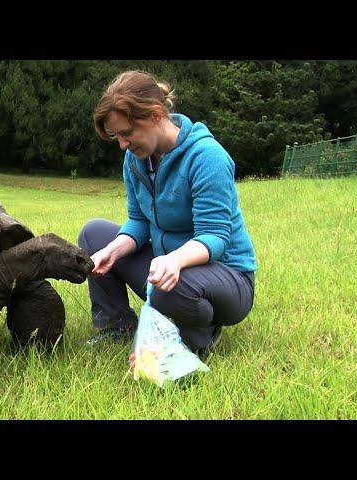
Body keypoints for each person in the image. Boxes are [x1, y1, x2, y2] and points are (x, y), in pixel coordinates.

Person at [77, 70, 257, 362]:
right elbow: (138, 221)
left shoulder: (207, 157)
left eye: (127, 133)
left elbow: (215, 237)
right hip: (169, 267)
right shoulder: (135, 160)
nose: (122, 144)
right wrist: (112, 251)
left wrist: (174, 260)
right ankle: (117, 325)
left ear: (156, 114)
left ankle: (195, 339)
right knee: (94, 235)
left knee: (169, 284)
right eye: (117, 136)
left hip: (228, 278)